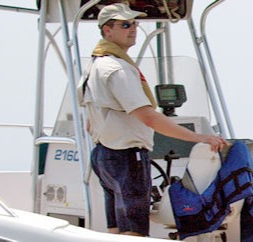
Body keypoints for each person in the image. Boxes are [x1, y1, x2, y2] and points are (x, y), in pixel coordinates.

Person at [79, 3, 228, 236]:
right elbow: (148, 117)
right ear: (107, 30)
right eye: (125, 25)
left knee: (116, 229)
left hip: (103, 156)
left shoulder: (94, 65)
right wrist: (199, 138)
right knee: (135, 232)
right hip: (127, 157)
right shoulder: (117, 69)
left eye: (135, 24)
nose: (133, 29)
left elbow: (90, 122)